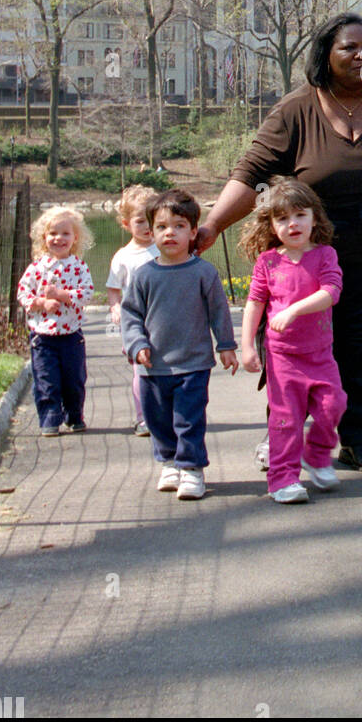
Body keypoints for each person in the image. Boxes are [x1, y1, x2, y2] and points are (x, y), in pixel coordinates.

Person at [194, 12, 362, 472]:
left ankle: (358, 439)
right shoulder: (298, 108)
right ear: (326, 55)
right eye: (350, 47)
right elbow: (252, 170)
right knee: (299, 340)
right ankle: (284, 431)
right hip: (309, 251)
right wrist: (212, 225)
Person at [121, 189, 238, 500]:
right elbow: (130, 313)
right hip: (152, 365)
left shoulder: (203, 272)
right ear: (151, 232)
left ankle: (191, 469)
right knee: (157, 419)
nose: (169, 233)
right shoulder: (144, 275)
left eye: (178, 226)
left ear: (193, 232)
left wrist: (226, 344)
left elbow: (218, 310)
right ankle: (169, 461)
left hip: (193, 363)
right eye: (161, 227)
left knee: (188, 419)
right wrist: (136, 343)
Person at [239, 178, 346, 504]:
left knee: (334, 404)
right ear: (272, 225)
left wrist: (295, 310)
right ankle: (282, 479)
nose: (292, 224)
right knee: (285, 419)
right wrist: (246, 347)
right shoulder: (268, 262)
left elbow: (331, 293)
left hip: (319, 354)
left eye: (300, 215)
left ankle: (316, 454)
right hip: (282, 356)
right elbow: (254, 304)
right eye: (282, 218)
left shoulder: (325, 255)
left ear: (315, 217)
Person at [17, 207, 95, 437]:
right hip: (43, 336)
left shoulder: (79, 267)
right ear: (44, 237)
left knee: (74, 378)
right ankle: (50, 417)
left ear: (75, 238)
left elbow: (86, 294)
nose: (58, 238)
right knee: (46, 378)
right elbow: (23, 294)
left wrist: (62, 295)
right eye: (53, 233)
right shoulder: (36, 268)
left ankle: (74, 415)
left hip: (71, 334)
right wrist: (41, 302)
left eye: (65, 234)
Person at [106, 185, 160, 436]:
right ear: (126, 224)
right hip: (136, 322)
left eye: (152, 219)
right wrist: (115, 307)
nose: (147, 227)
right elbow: (113, 288)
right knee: (142, 370)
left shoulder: (165, 248)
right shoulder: (122, 257)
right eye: (140, 221)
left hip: (163, 319)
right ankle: (144, 417)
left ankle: (166, 414)